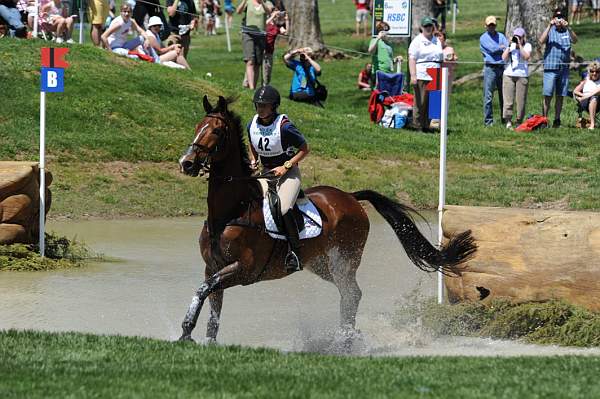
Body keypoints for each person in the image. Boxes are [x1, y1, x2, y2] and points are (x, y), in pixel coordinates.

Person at [247, 85, 310, 272]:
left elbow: (305, 148)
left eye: (264, 106)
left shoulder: (285, 127)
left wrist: (286, 166)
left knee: (283, 209)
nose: (260, 109)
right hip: (266, 173)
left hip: (288, 174)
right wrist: (253, 159)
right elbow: (251, 141)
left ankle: (296, 254)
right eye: (258, 105)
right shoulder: (252, 124)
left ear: (274, 106)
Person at [539, 8, 577, 128]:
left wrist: (569, 27)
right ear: (554, 18)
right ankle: (544, 119)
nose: (559, 19)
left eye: (561, 17)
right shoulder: (550, 30)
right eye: (557, 17)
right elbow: (541, 40)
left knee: (560, 95)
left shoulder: (567, 31)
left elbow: (575, 40)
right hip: (550, 68)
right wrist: (549, 26)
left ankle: (557, 120)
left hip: (564, 69)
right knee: (547, 95)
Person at [408, 16, 443, 132]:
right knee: (421, 101)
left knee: (433, 102)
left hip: (435, 72)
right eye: (426, 26)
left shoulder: (437, 40)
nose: (428, 28)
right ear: (421, 27)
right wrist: (413, 75)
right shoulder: (417, 41)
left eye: (430, 26)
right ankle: (418, 124)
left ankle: (428, 125)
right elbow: (412, 58)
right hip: (422, 73)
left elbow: (440, 57)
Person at [237, 0, 273, 90]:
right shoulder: (248, 2)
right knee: (250, 61)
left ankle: (253, 86)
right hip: (248, 33)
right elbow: (238, 11)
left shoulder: (267, 3)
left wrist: (262, 3)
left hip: (260, 36)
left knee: (257, 63)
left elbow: (269, 12)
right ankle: (252, 88)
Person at [480, 15, 508, 127]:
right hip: (490, 68)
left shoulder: (501, 35)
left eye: (493, 25)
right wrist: (500, 47)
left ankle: (504, 119)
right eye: (489, 25)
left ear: (496, 25)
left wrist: (502, 48)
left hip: (501, 68)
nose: (492, 27)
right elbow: (492, 50)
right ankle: (488, 121)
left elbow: (507, 48)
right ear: (485, 26)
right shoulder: (483, 38)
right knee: (488, 96)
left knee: (504, 95)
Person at [501, 27, 531, 129]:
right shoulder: (510, 45)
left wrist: (520, 45)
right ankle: (508, 121)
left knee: (521, 101)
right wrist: (509, 46)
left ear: (523, 38)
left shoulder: (527, 45)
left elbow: (526, 57)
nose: (517, 38)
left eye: (519, 37)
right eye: (516, 37)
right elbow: (503, 58)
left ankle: (519, 121)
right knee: (508, 100)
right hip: (509, 74)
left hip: (522, 75)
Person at [573, 61, 600, 130]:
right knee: (593, 98)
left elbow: (598, 91)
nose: (594, 73)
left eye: (597, 71)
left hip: (598, 102)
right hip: (585, 103)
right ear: (589, 72)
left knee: (594, 98)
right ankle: (591, 123)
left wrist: (584, 97)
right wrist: (583, 95)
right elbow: (575, 91)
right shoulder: (586, 80)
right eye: (592, 71)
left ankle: (592, 124)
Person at [263, 9, 287, 85]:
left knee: (267, 71)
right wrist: (272, 16)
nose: (276, 15)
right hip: (261, 49)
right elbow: (265, 24)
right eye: (275, 13)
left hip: (269, 51)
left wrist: (287, 20)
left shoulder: (278, 26)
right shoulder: (265, 22)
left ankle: (265, 87)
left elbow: (285, 32)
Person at [368, 21, 395, 86]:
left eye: (387, 30)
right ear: (380, 32)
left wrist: (395, 60)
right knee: (380, 94)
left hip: (389, 73)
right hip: (379, 73)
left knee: (387, 94)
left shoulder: (389, 44)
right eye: (385, 30)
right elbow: (370, 51)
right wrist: (378, 38)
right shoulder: (375, 40)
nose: (387, 32)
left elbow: (389, 60)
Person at [436, 30, 457, 96]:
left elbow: (454, 63)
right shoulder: (431, 49)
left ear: (444, 38)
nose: (438, 38)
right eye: (436, 36)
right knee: (435, 97)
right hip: (434, 76)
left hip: (447, 77)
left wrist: (454, 60)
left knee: (446, 97)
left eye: (440, 36)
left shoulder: (449, 49)